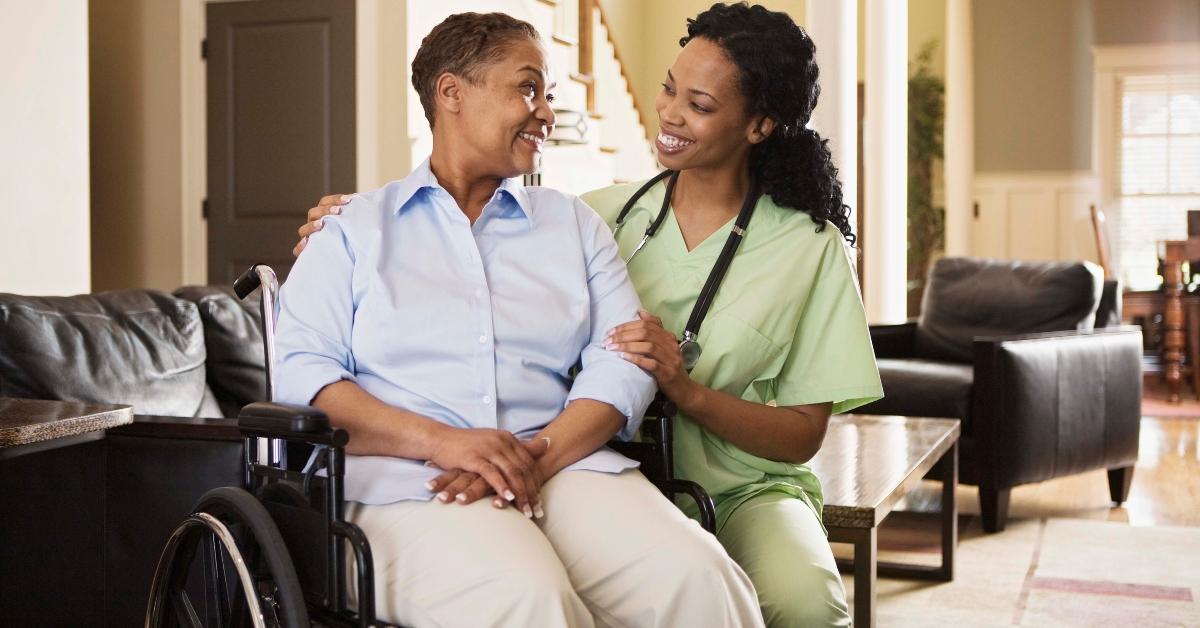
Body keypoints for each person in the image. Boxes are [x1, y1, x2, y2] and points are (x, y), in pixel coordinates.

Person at [296, 4, 882, 626]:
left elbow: (623, 363)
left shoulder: (576, 224)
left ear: (759, 125)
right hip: (441, 477)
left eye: (700, 104)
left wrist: (539, 454)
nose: (547, 111)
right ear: (451, 94)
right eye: (529, 89)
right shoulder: (364, 229)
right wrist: (337, 233)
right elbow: (307, 371)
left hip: (647, 473)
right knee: (532, 594)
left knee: (733, 589)